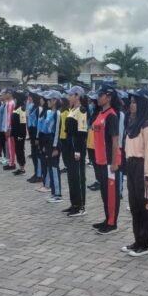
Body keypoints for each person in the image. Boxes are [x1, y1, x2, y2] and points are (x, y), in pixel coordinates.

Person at [121, 89, 148, 257]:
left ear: (143, 104)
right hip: (132, 165)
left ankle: (145, 243)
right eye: (131, 102)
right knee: (135, 205)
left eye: (135, 102)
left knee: (145, 206)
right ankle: (137, 240)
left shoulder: (147, 125)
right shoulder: (133, 122)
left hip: (143, 167)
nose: (132, 105)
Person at [91, 84, 121, 235]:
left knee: (111, 194)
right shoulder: (100, 113)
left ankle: (112, 224)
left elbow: (115, 141)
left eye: (100, 95)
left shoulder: (111, 116)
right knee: (104, 192)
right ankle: (107, 218)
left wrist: (114, 162)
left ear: (108, 97)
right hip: (100, 160)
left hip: (110, 161)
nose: (98, 98)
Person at [63, 86, 89, 217]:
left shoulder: (81, 111)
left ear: (77, 96)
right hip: (69, 147)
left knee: (78, 177)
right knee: (72, 177)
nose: (68, 97)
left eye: (71, 95)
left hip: (77, 149)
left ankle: (81, 206)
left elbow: (81, 133)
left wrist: (78, 151)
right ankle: (74, 203)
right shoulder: (72, 110)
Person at [44, 91, 63, 203]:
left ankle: (58, 194)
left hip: (54, 142)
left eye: (49, 100)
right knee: (51, 167)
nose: (48, 101)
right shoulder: (51, 112)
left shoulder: (57, 114)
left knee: (54, 168)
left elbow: (56, 131)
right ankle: (53, 192)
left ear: (55, 101)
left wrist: (55, 147)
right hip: (49, 141)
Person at [27, 91, 43, 183]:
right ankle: (36, 172)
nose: (29, 98)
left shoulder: (38, 109)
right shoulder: (32, 107)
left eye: (31, 97)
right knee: (34, 154)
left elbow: (39, 124)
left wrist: (37, 137)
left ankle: (39, 174)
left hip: (36, 132)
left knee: (37, 155)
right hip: (32, 132)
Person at [11, 91, 28, 176]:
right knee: (17, 150)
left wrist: (20, 136)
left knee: (20, 150)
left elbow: (22, 124)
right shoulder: (17, 108)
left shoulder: (21, 109)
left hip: (20, 134)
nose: (14, 100)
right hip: (16, 134)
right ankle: (20, 167)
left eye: (15, 99)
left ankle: (22, 168)